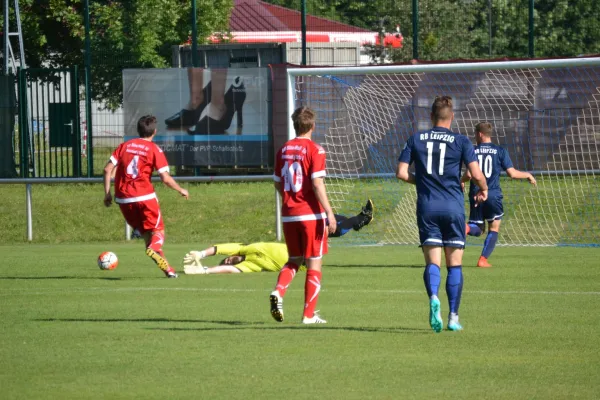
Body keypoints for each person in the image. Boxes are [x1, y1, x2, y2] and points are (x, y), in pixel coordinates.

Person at [396, 96, 488, 332]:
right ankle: (453, 318)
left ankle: (433, 298)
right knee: (455, 265)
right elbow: (476, 174)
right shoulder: (461, 141)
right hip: (453, 209)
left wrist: (423, 182)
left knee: (433, 263)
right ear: (452, 116)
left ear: (431, 116)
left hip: (427, 208)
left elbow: (401, 172)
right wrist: (484, 189)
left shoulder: (416, 139)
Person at [269, 106, 336, 325]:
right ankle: (308, 315)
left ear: (294, 124)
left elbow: (278, 182)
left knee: (294, 260)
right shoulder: (316, 150)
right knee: (314, 263)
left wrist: (290, 199)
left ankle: (278, 291)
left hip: (289, 215)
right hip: (310, 216)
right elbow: (317, 183)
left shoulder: (283, 150)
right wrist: (329, 212)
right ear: (313, 125)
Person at [181, 200, 374, 275]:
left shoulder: (247, 248)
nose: (229, 258)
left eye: (229, 257)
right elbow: (229, 269)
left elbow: (221, 248)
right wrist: (206, 271)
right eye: (229, 260)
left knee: (326, 221)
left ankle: (358, 220)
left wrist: (201, 254)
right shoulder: (251, 265)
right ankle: (359, 221)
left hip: (299, 243)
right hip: (303, 258)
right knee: (325, 224)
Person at [103, 115, 189, 278]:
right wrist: (180, 189)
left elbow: (107, 170)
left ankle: (169, 271)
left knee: (148, 237)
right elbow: (165, 178)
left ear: (138, 130)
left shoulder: (124, 146)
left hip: (123, 200)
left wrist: (107, 193)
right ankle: (154, 250)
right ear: (154, 131)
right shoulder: (154, 149)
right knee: (158, 233)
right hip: (144, 197)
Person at [462, 122, 537, 268]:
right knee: (494, 227)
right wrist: (527, 174)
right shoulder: (500, 151)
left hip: (475, 193)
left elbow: (469, 174)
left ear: (480, 134)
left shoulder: (472, 150)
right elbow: (512, 173)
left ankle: (466, 229)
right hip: (492, 194)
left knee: (477, 227)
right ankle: (482, 259)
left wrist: (461, 181)